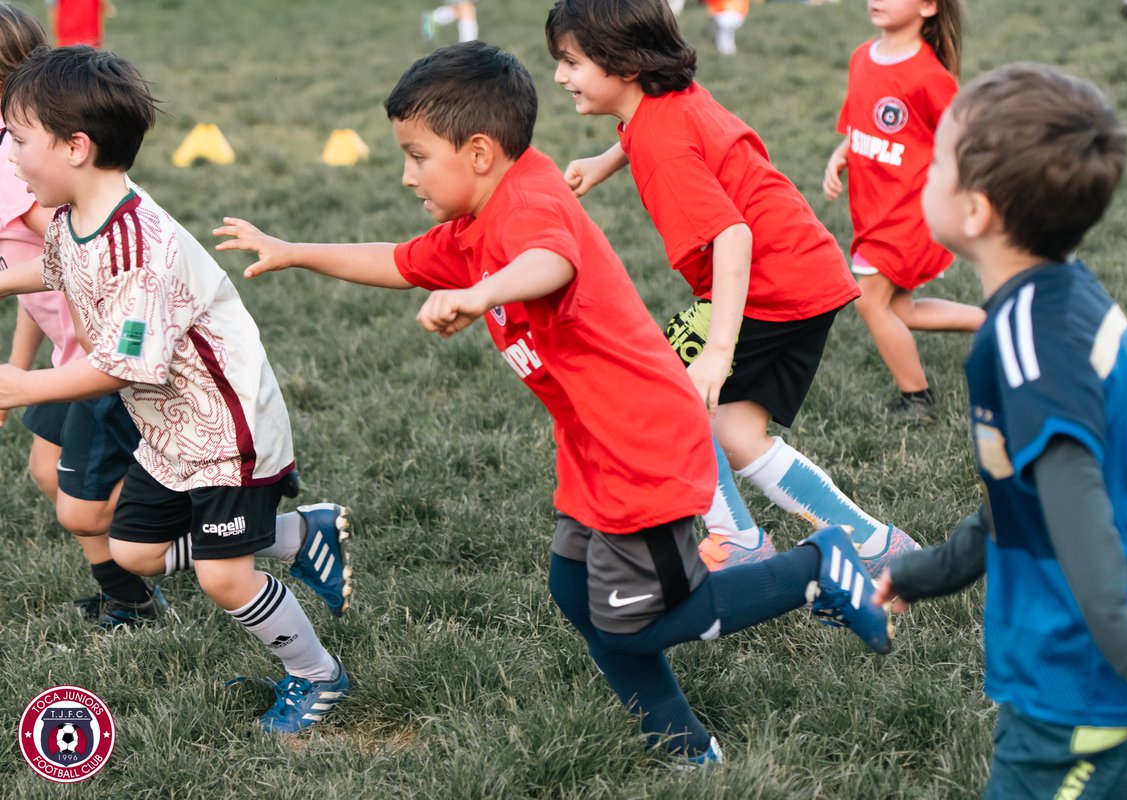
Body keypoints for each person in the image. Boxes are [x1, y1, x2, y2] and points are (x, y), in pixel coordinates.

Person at [214, 41, 893, 764]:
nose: (406, 174)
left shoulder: (530, 203)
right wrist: (295, 248)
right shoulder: (477, 220)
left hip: (646, 444)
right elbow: (401, 260)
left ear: (478, 152)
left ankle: (817, 565)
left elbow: (550, 261)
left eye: (417, 156)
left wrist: (483, 292)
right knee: (575, 592)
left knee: (644, 620)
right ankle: (680, 744)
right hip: (593, 446)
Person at [0, 45, 352, 734]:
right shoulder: (76, 217)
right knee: (135, 552)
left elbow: (123, 368)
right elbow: (58, 271)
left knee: (224, 577)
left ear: (75, 146)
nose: (9, 155)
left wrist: (21, 385)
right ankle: (295, 534)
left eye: (18, 139)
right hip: (170, 430)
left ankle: (318, 676)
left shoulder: (140, 248)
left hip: (228, 429)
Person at [873, 63, 1127, 797]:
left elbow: (1073, 499)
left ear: (977, 212)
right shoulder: (1056, 300)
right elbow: (1024, 497)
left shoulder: (1030, 346)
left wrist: (1123, 644)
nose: (924, 171)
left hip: (1087, 671)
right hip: (1078, 662)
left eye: (939, 160)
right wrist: (931, 571)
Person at [548, 0, 917, 574]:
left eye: (571, 62)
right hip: (802, 273)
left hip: (767, 286)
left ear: (622, 64)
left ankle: (737, 539)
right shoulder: (664, 102)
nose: (560, 76)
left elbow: (732, 236)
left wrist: (717, 353)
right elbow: (649, 135)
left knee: (661, 397)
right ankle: (876, 544)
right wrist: (604, 160)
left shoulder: (664, 145)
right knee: (736, 433)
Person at [0, 1, 162, 627]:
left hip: (97, 357)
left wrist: (90, 353)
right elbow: (36, 279)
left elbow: (72, 248)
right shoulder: (18, 149)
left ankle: (195, 533)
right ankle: (131, 592)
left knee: (82, 506)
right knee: (47, 469)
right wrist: (17, 370)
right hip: (69, 353)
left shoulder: (15, 163)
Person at [823, 0, 983, 420]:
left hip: (909, 214)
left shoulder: (930, 76)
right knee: (900, 311)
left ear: (928, 7)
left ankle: (917, 399)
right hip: (873, 209)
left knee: (869, 303)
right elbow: (862, 125)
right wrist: (841, 154)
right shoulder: (861, 57)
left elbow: (962, 143)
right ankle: (993, 321)